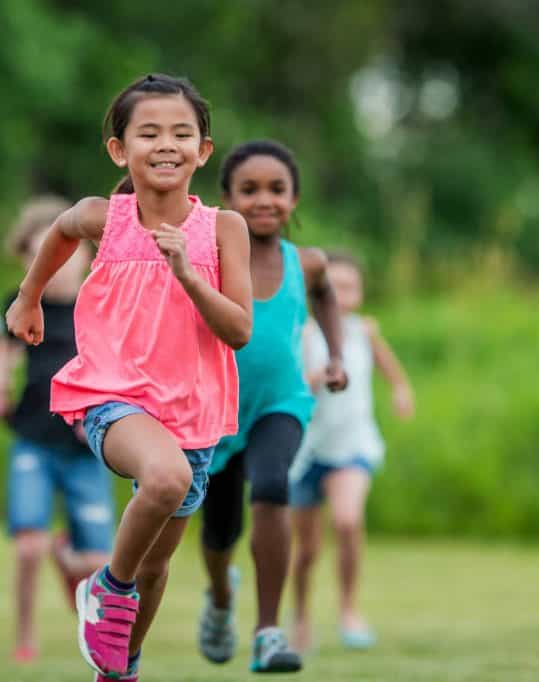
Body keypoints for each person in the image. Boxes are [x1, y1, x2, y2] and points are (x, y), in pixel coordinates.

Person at [7, 73, 252, 682]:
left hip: (192, 411)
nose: (165, 144)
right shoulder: (104, 218)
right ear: (121, 150)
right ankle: (104, 588)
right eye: (148, 132)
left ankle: (119, 669)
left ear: (203, 150)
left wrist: (191, 275)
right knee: (164, 481)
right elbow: (61, 230)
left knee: (155, 565)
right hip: (111, 391)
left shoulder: (224, 230)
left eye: (181, 133)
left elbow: (239, 330)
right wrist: (29, 297)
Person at [197, 140, 347, 674]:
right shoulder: (208, 258)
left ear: (295, 198)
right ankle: (218, 597)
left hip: (280, 403)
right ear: (226, 199)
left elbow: (327, 295)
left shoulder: (306, 262)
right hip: (214, 410)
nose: (264, 200)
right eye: (250, 190)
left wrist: (335, 355)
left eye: (277, 190)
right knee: (219, 533)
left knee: (272, 485)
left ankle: (267, 632)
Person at [0, 197, 114, 664]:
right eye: (42, 253)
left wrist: (103, 415)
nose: (57, 264)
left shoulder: (99, 307)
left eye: (68, 251)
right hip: (34, 441)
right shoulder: (21, 305)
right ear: (26, 258)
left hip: (87, 448)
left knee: (98, 561)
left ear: (86, 254)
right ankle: (25, 635)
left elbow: (116, 369)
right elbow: (6, 356)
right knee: (27, 548)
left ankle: (72, 564)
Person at [290, 252, 414, 652]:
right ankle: (300, 616)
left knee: (346, 522)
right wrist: (317, 378)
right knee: (307, 549)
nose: (343, 295)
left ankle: (349, 610)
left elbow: (388, 365)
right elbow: (291, 387)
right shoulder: (304, 334)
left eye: (350, 287)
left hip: (352, 444)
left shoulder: (364, 330)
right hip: (307, 450)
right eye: (335, 287)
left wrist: (400, 390)